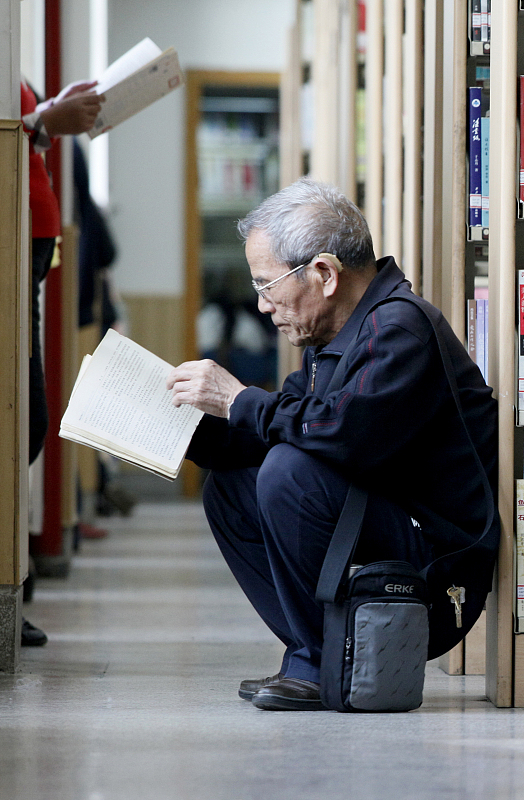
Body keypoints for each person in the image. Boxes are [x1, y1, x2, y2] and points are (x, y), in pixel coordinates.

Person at [167, 178, 499, 711]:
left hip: (436, 575)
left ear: (323, 273)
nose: (261, 306)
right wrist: (180, 428)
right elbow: (279, 428)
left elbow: (342, 438)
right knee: (230, 487)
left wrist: (238, 399)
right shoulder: (336, 339)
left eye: (267, 285)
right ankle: (319, 654)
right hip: (386, 527)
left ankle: (321, 661)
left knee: (288, 473)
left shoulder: (400, 329)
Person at [20, 79, 104, 647]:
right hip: (13, 249)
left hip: (28, 251)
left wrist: (46, 117)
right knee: (24, 422)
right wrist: (45, 122)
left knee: (27, 422)